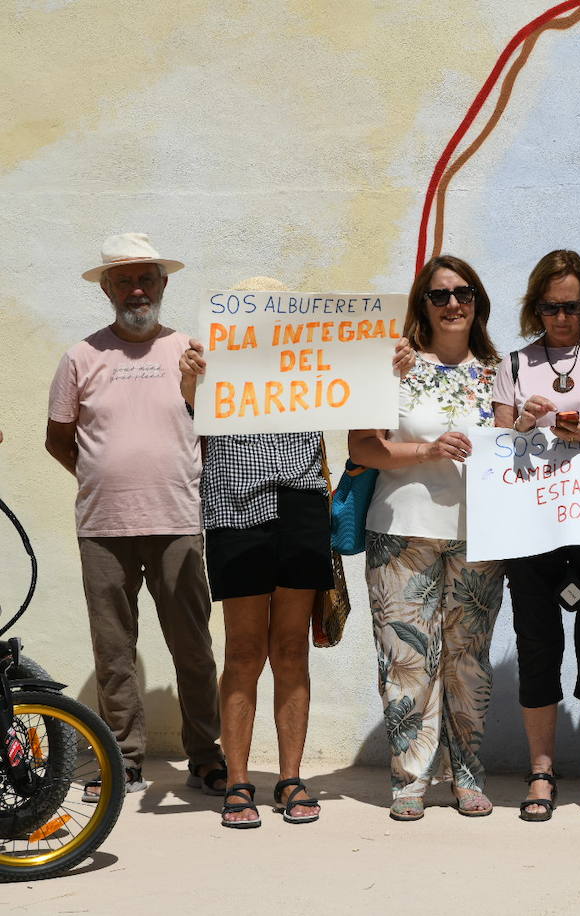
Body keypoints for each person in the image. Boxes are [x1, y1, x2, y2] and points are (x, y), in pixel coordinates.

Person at [45, 232, 223, 802]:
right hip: (102, 528)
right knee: (114, 653)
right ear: (107, 290)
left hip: (177, 520)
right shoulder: (81, 356)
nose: (137, 288)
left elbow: (219, 429)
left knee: (192, 646)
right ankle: (121, 762)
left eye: (146, 277)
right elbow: (58, 438)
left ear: (164, 284)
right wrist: (105, 478)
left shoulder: (190, 351)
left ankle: (206, 756)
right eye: (124, 279)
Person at [178, 276, 354, 828]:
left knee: (292, 651)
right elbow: (192, 404)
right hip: (233, 510)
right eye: (253, 310)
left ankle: (291, 778)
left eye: (273, 310)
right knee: (244, 651)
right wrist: (190, 377)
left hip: (301, 504)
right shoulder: (213, 364)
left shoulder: (310, 361)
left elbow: (362, 381)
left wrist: (387, 363)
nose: (263, 320)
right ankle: (238, 781)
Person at [348, 255, 505, 822]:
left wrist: (533, 422)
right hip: (399, 530)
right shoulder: (393, 364)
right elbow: (361, 446)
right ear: (423, 304)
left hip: (478, 536)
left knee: (468, 661)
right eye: (439, 295)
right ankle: (409, 777)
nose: (453, 303)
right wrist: (427, 451)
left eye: (463, 292)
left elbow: (507, 447)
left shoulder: (498, 368)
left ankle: (466, 774)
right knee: (407, 660)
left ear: (478, 300)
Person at [493, 250, 580, 821]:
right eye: (550, 307)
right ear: (535, 308)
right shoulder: (515, 363)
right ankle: (542, 771)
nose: (561, 317)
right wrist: (524, 423)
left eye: (571, 306)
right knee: (537, 644)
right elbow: (497, 441)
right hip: (533, 523)